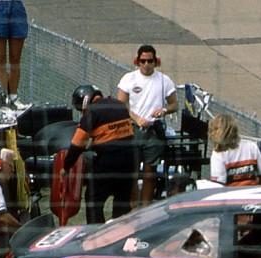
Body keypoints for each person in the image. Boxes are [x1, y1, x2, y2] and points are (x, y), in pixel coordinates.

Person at [61, 84, 136, 224]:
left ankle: (96, 234)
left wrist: (66, 166)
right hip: (130, 158)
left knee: (93, 199)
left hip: (108, 162)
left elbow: (77, 144)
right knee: (122, 201)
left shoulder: (92, 111)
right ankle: (121, 233)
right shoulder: (119, 105)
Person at [117, 44, 178, 207]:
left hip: (154, 131)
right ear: (137, 61)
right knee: (133, 172)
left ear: (156, 61)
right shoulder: (129, 79)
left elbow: (174, 104)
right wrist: (136, 118)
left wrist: (164, 110)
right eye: (142, 61)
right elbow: (121, 104)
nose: (146, 64)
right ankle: (132, 207)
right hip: (133, 130)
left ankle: (146, 207)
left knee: (150, 173)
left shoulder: (164, 81)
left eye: (149, 61)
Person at [0, 0, 29, 108]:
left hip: (16, 6)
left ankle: (13, 97)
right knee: (0, 57)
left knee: (15, 58)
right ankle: (3, 99)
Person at [208, 114, 261, 186]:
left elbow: (218, 184)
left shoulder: (218, 154)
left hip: (232, 195)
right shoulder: (251, 146)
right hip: (253, 193)